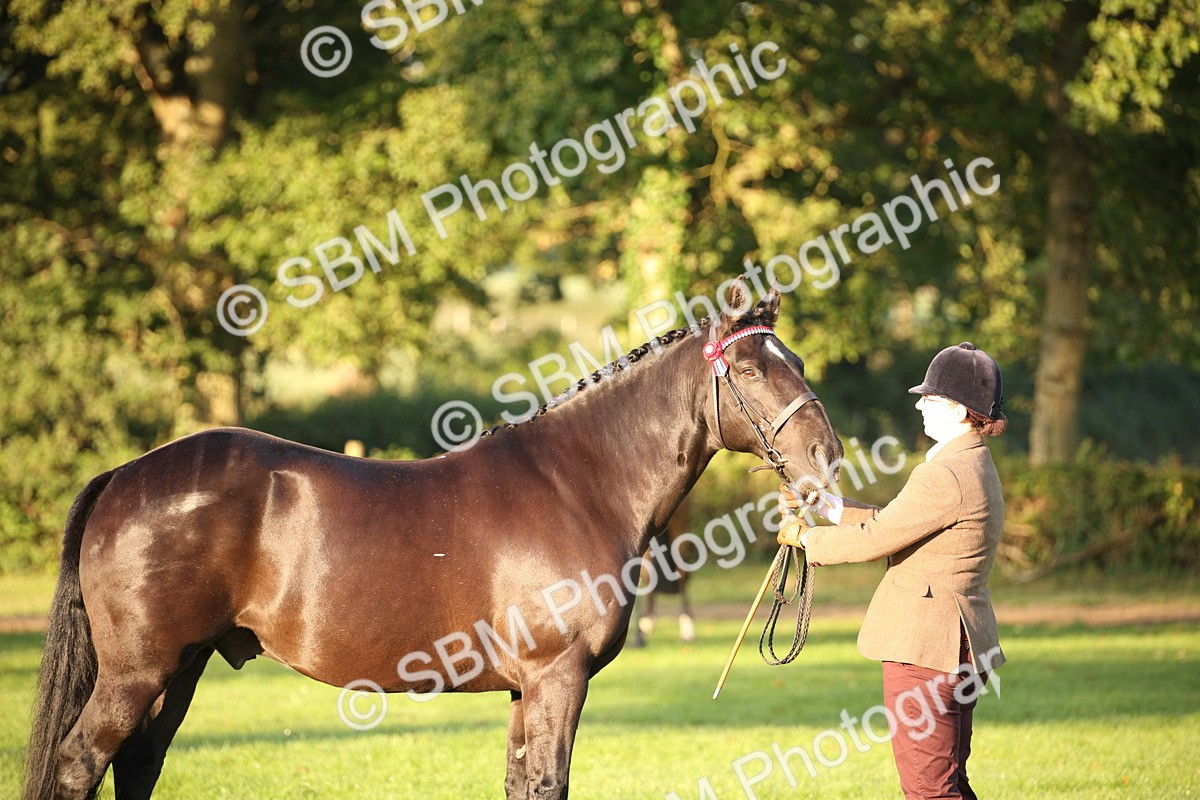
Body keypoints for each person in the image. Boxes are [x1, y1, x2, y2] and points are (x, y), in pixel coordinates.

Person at [778, 342, 1008, 800]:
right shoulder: (972, 463)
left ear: (960, 410)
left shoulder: (945, 474)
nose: (920, 405)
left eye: (931, 399)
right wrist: (826, 505)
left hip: (926, 651)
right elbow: (897, 524)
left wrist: (805, 539)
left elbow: (876, 539)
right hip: (958, 644)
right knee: (950, 784)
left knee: (929, 791)